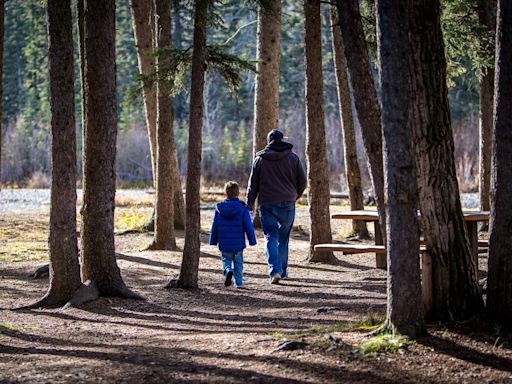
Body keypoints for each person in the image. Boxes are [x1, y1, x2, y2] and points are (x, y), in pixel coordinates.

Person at [247, 129, 307, 284]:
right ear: (282, 140)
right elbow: (302, 182)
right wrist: (295, 196)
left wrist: (249, 204)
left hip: (267, 204)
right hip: (288, 203)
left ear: (269, 141)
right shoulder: (293, 158)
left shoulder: (260, 159)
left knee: (271, 237)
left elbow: (252, 185)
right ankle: (283, 270)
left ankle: (275, 271)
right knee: (283, 238)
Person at [209, 181, 257, 288]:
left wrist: (213, 240)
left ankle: (228, 271)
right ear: (238, 194)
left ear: (225, 194)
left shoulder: (219, 209)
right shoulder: (242, 208)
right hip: (238, 243)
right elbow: (248, 225)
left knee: (226, 260)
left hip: (224, 243)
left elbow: (215, 225)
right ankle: (239, 283)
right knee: (238, 263)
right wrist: (252, 240)